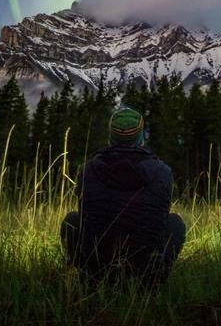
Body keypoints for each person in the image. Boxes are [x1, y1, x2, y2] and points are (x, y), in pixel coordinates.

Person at [60, 106, 185, 287]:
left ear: (111, 137)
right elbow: (160, 218)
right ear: (141, 137)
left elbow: (87, 217)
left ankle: (85, 277)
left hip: (97, 269)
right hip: (144, 270)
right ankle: (155, 278)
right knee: (175, 222)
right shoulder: (162, 172)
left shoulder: (89, 170)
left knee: (71, 220)